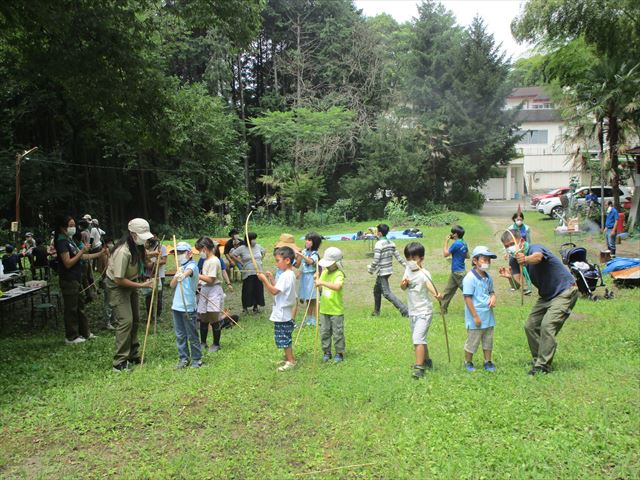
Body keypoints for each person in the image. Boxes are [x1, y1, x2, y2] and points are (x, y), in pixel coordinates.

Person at [499, 230, 578, 375]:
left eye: (512, 244)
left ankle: (543, 366)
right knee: (530, 325)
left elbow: (538, 258)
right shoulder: (513, 260)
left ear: (521, 241)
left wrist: (525, 259)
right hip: (547, 295)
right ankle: (538, 359)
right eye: (507, 246)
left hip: (565, 290)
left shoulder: (535, 248)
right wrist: (510, 277)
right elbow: (519, 284)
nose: (510, 247)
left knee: (547, 326)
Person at [106, 218, 154, 371]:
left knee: (135, 319)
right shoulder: (123, 251)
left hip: (131, 283)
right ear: (133, 234)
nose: (144, 239)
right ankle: (119, 362)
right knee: (125, 321)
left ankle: (133, 354)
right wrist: (142, 285)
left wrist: (155, 258)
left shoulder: (137, 247)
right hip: (118, 286)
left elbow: (145, 263)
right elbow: (119, 280)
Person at [54, 215, 106, 345]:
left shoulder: (70, 240)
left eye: (74, 225)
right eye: (70, 225)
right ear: (62, 227)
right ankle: (71, 337)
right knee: (71, 308)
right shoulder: (61, 242)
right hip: (68, 279)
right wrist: (82, 250)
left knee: (80, 306)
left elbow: (82, 257)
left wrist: (100, 254)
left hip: (77, 278)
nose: (73, 228)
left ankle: (85, 333)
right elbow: (68, 263)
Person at [399, 242, 441, 379]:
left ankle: (419, 368)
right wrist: (403, 284)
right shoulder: (407, 270)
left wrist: (437, 294)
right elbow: (403, 287)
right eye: (408, 258)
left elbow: (429, 285)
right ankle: (426, 361)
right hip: (413, 312)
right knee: (420, 339)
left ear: (421, 258)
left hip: (424, 312)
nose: (411, 261)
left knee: (417, 339)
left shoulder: (424, 273)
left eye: (414, 258)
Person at [257, 246, 297, 372]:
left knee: (284, 337)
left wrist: (264, 280)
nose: (276, 263)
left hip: (283, 312)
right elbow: (279, 289)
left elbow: (274, 291)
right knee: (284, 336)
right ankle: (288, 358)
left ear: (287, 260)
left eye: (278, 260)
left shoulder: (286, 275)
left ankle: (290, 361)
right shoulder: (288, 274)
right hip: (284, 311)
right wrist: (271, 279)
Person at [462, 246, 498, 373]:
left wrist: (493, 297)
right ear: (475, 261)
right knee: (473, 341)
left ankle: (488, 361)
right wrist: (475, 316)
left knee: (488, 340)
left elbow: (491, 291)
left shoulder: (488, 277)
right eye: (484, 259)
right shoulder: (469, 278)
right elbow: (467, 298)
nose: (487, 262)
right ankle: (468, 361)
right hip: (475, 318)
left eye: (489, 260)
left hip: (488, 316)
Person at [170, 241, 202, 368]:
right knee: (180, 335)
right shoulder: (180, 267)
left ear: (189, 253)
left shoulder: (192, 266)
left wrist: (182, 275)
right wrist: (177, 276)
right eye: (177, 253)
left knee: (192, 334)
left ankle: (196, 359)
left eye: (181, 253)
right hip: (176, 306)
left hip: (188, 306)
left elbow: (189, 272)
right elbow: (172, 285)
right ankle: (183, 358)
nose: (178, 256)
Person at [368, 223, 408, 317]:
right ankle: (376, 312)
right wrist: (406, 266)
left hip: (382, 272)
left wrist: (371, 269)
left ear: (380, 233)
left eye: (377, 231)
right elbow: (398, 257)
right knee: (376, 291)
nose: (376, 232)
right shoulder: (391, 243)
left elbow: (376, 260)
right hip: (389, 271)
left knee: (386, 293)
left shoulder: (378, 244)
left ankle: (404, 310)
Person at [315, 247, 346, 363]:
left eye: (330, 264)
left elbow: (337, 287)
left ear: (336, 263)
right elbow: (321, 286)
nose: (327, 266)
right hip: (324, 309)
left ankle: (339, 353)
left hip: (336, 310)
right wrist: (317, 281)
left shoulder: (339, 274)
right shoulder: (324, 272)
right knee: (324, 332)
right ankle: (326, 351)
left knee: (338, 332)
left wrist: (322, 282)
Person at [195, 237, 225, 353]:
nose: (199, 253)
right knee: (203, 317)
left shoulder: (214, 261)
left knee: (213, 317)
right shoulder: (206, 260)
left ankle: (216, 344)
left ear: (205, 248)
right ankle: (203, 342)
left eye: (200, 250)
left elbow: (211, 279)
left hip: (213, 290)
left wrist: (196, 274)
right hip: (205, 289)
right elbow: (204, 278)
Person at [230, 232, 265, 314]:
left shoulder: (258, 246)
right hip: (248, 272)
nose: (254, 241)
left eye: (255, 239)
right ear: (248, 240)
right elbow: (232, 254)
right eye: (252, 239)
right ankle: (245, 307)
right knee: (248, 289)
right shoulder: (242, 248)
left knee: (258, 289)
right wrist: (241, 262)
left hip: (258, 271)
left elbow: (264, 252)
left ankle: (256, 307)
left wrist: (260, 261)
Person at [440, 225, 469, 315]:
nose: (451, 234)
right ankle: (443, 311)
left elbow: (445, 254)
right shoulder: (464, 243)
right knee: (447, 292)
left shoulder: (456, 244)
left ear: (455, 234)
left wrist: (446, 241)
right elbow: (468, 256)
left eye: (452, 233)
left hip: (458, 273)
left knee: (469, 291)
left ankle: (477, 308)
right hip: (457, 271)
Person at [298, 232, 321, 327]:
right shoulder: (304, 251)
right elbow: (300, 264)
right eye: (306, 239)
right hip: (304, 277)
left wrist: (301, 255)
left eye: (309, 240)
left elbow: (311, 261)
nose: (306, 241)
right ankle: (308, 318)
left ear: (314, 242)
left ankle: (315, 319)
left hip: (312, 277)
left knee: (314, 299)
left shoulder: (315, 253)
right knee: (308, 299)